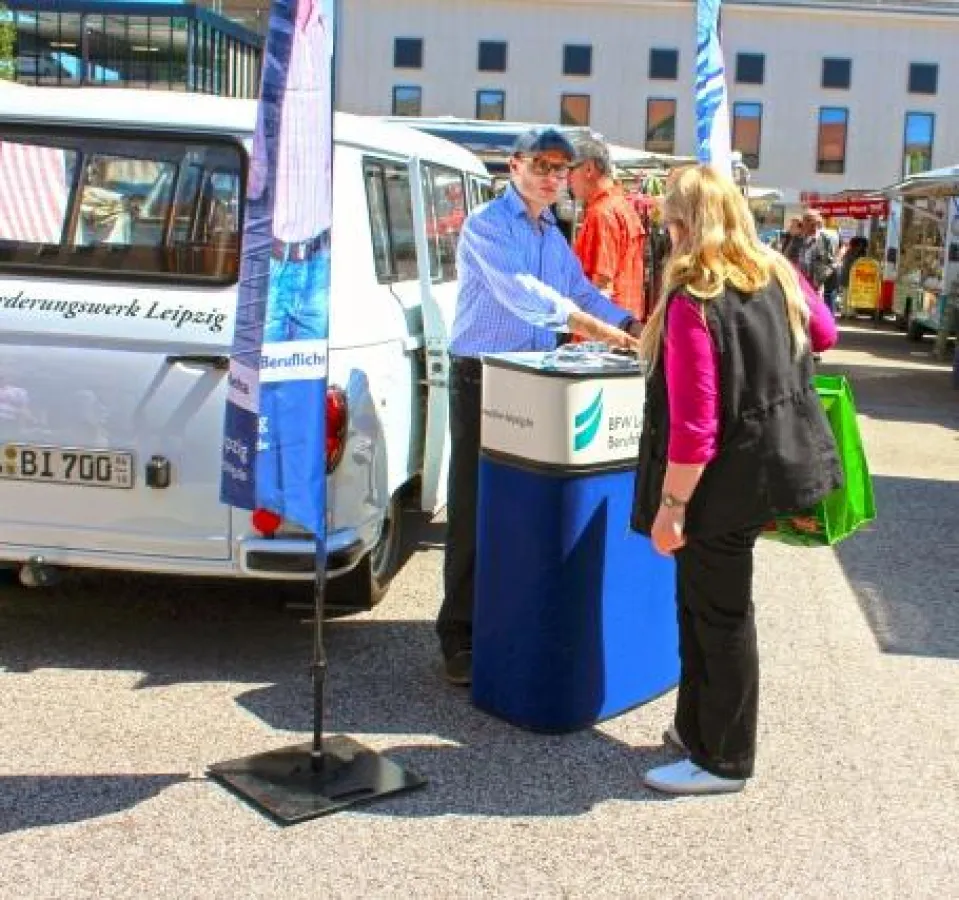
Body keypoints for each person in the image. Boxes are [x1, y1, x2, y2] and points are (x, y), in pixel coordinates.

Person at [632, 165, 842, 795]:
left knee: (717, 614)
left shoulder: (694, 299)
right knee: (703, 605)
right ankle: (697, 729)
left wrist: (671, 507)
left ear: (680, 224)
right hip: (759, 472)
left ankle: (724, 759)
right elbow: (826, 334)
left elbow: (695, 428)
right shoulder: (776, 272)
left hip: (716, 484)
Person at [438, 126, 644, 685]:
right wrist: (608, 331)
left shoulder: (551, 229)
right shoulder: (487, 225)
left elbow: (577, 289)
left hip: (535, 380)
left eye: (561, 169)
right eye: (543, 165)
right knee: (475, 506)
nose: (553, 177)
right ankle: (459, 634)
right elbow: (531, 298)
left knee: (524, 505)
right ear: (514, 166)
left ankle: (507, 623)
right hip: (484, 378)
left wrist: (631, 323)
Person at [567, 133, 647, 320]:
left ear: (588, 169)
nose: (567, 179)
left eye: (570, 169)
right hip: (624, 326)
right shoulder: (623, 206)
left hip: (603, 336)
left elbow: (601, 287)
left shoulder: (602, 213)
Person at [799, 209, 839, 312]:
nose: (813, 226)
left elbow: (831, 262)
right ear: (804, 223)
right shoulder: (797, 239)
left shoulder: (826, 240)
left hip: (817, 284)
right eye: (809, 222)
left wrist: (820, 279)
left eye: (816, 223)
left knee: (817, 312)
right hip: (799, 283)